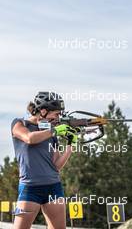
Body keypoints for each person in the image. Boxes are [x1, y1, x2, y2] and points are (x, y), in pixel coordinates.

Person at [11, 91, 79, 229]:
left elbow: (56, 166)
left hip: (53, 186)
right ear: (43, 111)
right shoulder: (19, 124)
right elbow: (29, 138)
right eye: (56, 114)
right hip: (30, 188)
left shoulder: (51, 131)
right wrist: (55, 131)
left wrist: (71, 146)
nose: (58, 118)